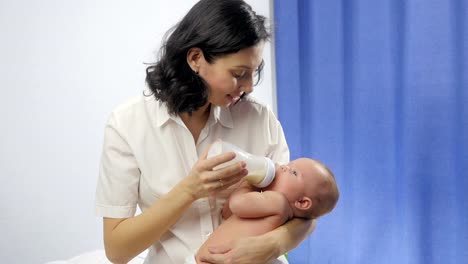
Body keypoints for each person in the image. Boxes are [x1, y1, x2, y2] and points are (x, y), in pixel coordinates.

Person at [95, 0, 316, 263]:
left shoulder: (258, 119)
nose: (248, 87)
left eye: (253, 73)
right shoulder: (127, 126)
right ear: (196, 59)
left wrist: (270, 246)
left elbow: (304, 210)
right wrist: (190, 190)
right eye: (238, 73)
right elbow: (117, 250)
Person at [190, 158, 339, 264]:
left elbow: (237, 204)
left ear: (302, 202)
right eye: (288, 164)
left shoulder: (278, 203)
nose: (283, 168)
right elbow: (227, 213)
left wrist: (249, 181)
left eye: (293, 173)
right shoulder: (270, 207)